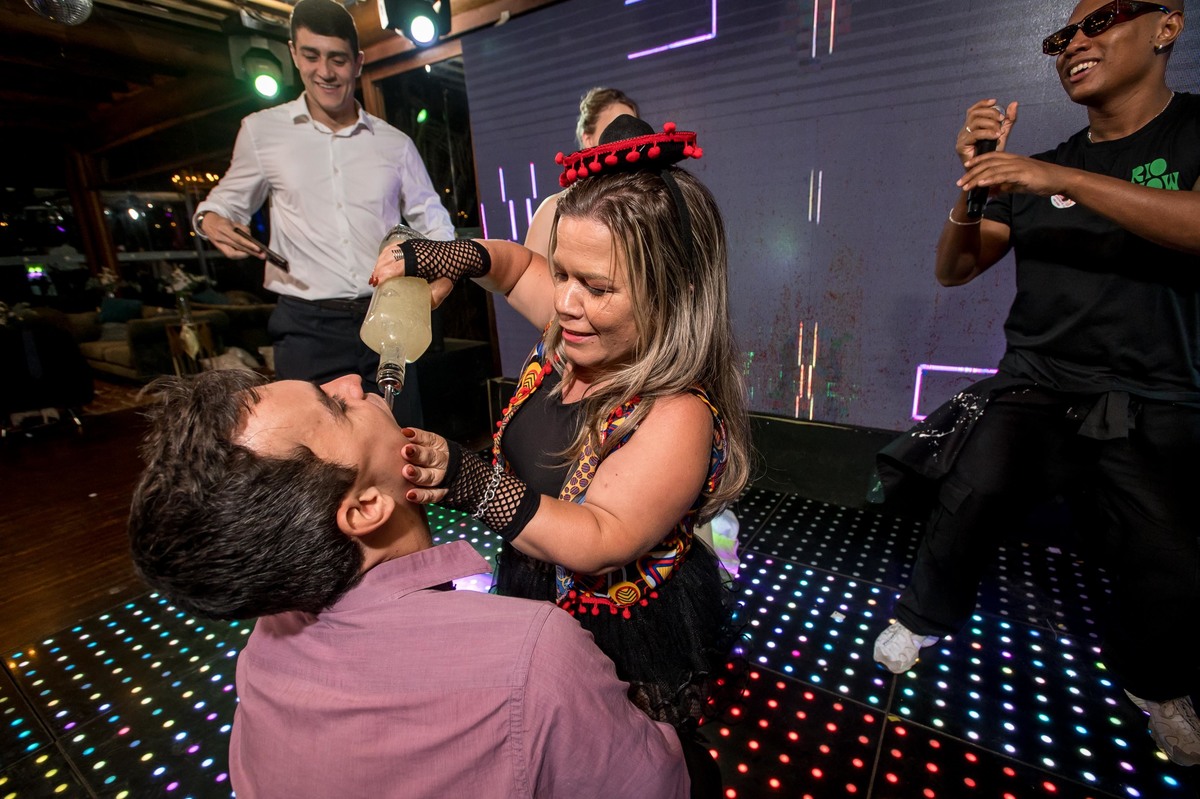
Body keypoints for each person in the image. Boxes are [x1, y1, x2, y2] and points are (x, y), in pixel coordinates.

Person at [370, 115, 751, 793]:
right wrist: (448, 258)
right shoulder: (583, 330)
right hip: (535, 581)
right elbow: (516, 265)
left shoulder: (678, 414)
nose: (565, 303)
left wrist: (471, 482)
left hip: (619, 624)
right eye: (565, 273)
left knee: (622, 766)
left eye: (596, 287)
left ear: (676, 290)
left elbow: (599, 537)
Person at [869, 0, 1200, 767]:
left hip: (1156, 392)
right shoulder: (1037, 170)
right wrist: (976, 183)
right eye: (1061, 36)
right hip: (1038, 385)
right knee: (971, 488)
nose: (1073, 43)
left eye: (1100, 21)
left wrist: (1062, 178)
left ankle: (1156, 684)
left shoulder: (1188, 132)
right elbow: (955, 268)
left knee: (1169, 562)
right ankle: (921, 618)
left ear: (1166, 27)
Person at [127, 368, 690, 798]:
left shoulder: (261, 652)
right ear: (365, 507)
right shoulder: (534, 656)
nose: (351, 381)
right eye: (336, 406)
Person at [191, 0, 454, 425]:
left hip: (385, 315)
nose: (325, 72)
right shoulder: (261, 131)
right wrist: (211, 221)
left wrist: (448, 270)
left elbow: (433, 219)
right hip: (306, 326)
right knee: (312, 452)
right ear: (294, 54)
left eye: (338, 59)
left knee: (400, 440)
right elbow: (223, 204)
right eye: (312, 56)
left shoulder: (394, 143)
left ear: (358, 62)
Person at [524, 87, 639, 258]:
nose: (628, 137)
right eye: (616, 128)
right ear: (588, 139)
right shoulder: (554, 211)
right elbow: (530, 272)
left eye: (634, 128)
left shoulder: (652, 204)